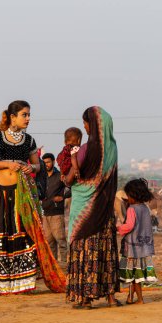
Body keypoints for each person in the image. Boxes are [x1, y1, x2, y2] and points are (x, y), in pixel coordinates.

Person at [0, 100, 65, 294]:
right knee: (5, 235)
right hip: (3, 195)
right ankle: (4, 283)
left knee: (24, 235)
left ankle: (24, 284)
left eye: (29, 115)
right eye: (24, 115)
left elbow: (38, 165)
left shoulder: (29, 140)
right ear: (13, 117)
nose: (28, 119)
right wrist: (7, 164)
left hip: (23, 195)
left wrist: (31, 167)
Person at [65, 106, 120, 309]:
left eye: (86, 123)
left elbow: (71, 180)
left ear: (95, 125)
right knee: (106, 251)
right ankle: (111, 297)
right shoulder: (113, 149)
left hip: (84, 212)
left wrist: (66, 177)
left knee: (85, 252)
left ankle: (85, 298)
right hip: (104, 212)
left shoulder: (86, 149)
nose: (85, 127)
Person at [117, 178, 158, 305]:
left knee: (134, 276)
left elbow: (129, 226)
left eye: (128, 195)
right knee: (135, 273)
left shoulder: (132, 209)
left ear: (133, 195)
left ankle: (140, 299)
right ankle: (130, 297)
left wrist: (117, 228)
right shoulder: (145, 208)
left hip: (133, 248)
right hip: (144, 247)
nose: (127, 198)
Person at [42, 153, 70, 262]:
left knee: (61, 241)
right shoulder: (42, 177)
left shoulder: (60, 176)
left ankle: (64, 266)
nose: (46, 165)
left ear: (53, 162)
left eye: (48, 162)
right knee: (49, 242)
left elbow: (71, 189)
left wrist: (62, 197)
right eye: (44, 163)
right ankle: (53, 267)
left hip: (57, 213)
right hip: (45, 213)